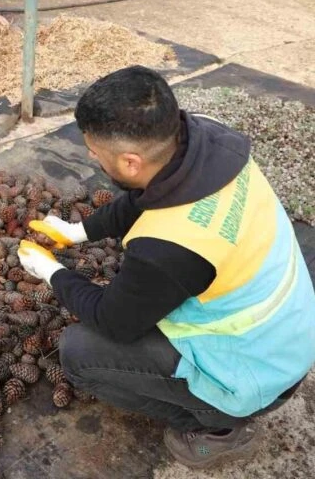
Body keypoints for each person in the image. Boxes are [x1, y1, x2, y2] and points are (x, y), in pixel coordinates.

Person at [17, 65, 315, 470]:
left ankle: (221, 431)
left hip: (257, 374)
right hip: (288, 329)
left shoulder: (170, 247)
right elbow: (145, 197)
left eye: (95, 153)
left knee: (79, 352)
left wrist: (52, 272)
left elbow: (114, 320)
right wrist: (77, 231)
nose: (90, 156)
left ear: (131, 161)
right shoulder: (206, 139)